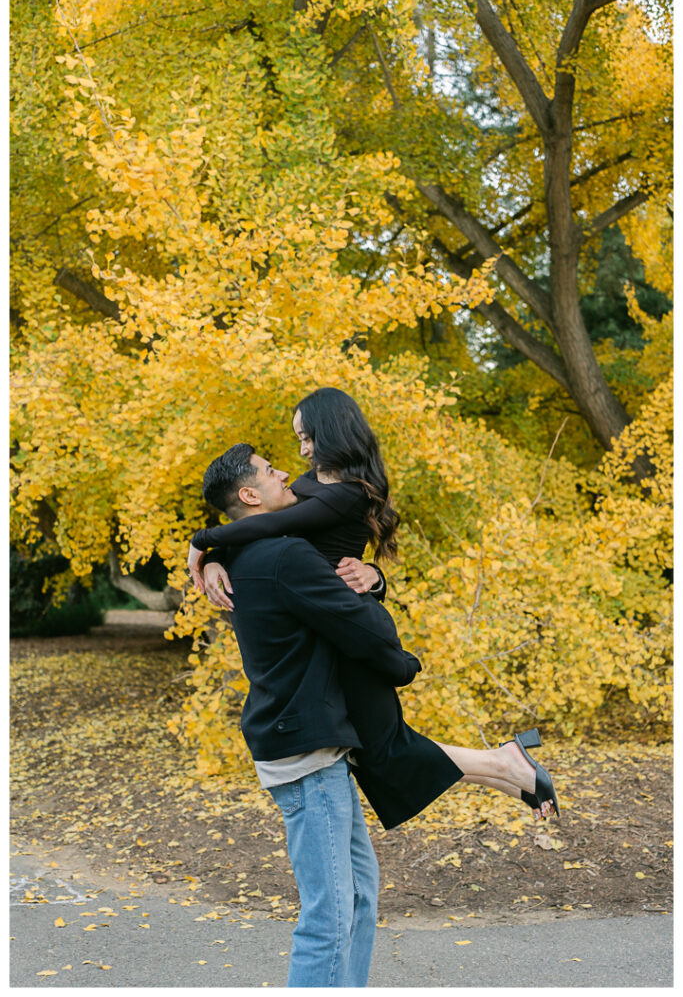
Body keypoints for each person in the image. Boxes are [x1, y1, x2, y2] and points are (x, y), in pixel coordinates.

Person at [191, 389, 559, 828]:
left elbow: (274, 525)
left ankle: (508, 767)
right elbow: (261, 530)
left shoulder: (347, 493)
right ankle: (509, 772)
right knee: (378, 753)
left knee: (384, 750)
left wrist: (203, 540)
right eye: (299, 441)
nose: (302, 452)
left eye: (307, 438)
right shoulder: (310, 485)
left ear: (331, 432)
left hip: (351, 628)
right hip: (334, 630)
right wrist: (215, 559)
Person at [195, 443, 421, 986]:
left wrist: (206, 551)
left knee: (360, 895)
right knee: (330, 914)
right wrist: (403, 660)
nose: (288, 476)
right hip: (305, 753)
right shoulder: (284, 554)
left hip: (311, 744)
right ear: (250, 495)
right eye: (271, 472)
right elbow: (364, 630)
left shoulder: (250, 554)